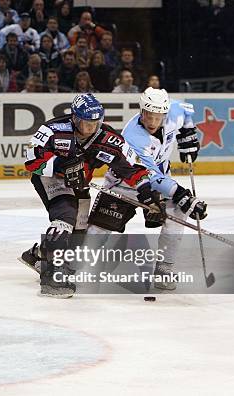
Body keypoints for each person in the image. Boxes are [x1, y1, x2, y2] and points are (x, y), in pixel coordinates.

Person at [21, 93, 163, 297]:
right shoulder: (53, 130)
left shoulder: (109, 138)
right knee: (65, 216)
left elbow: (132, 167)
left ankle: (39, 256)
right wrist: (60, 164)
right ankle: (52, 276)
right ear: (74, 118)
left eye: (94, 123)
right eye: (84, 123)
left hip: (80, 184)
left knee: (79, 233)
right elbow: (31, 159)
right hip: (52, 178)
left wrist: (147, 192)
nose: (89, 129)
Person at [85, 88, 207, 290]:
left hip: (161, 181)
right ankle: (69, 261)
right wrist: (181, 194)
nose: (152, 121)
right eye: (148, 115)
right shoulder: (133, 136)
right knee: (99, 229)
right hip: (126, 183)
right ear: (141, 111)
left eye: (157, 116)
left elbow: (186, 110)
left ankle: (164, 268)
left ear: (165, 114)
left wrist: (188, 133)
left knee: (177, 211)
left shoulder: (174, 112)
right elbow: (151, 176)